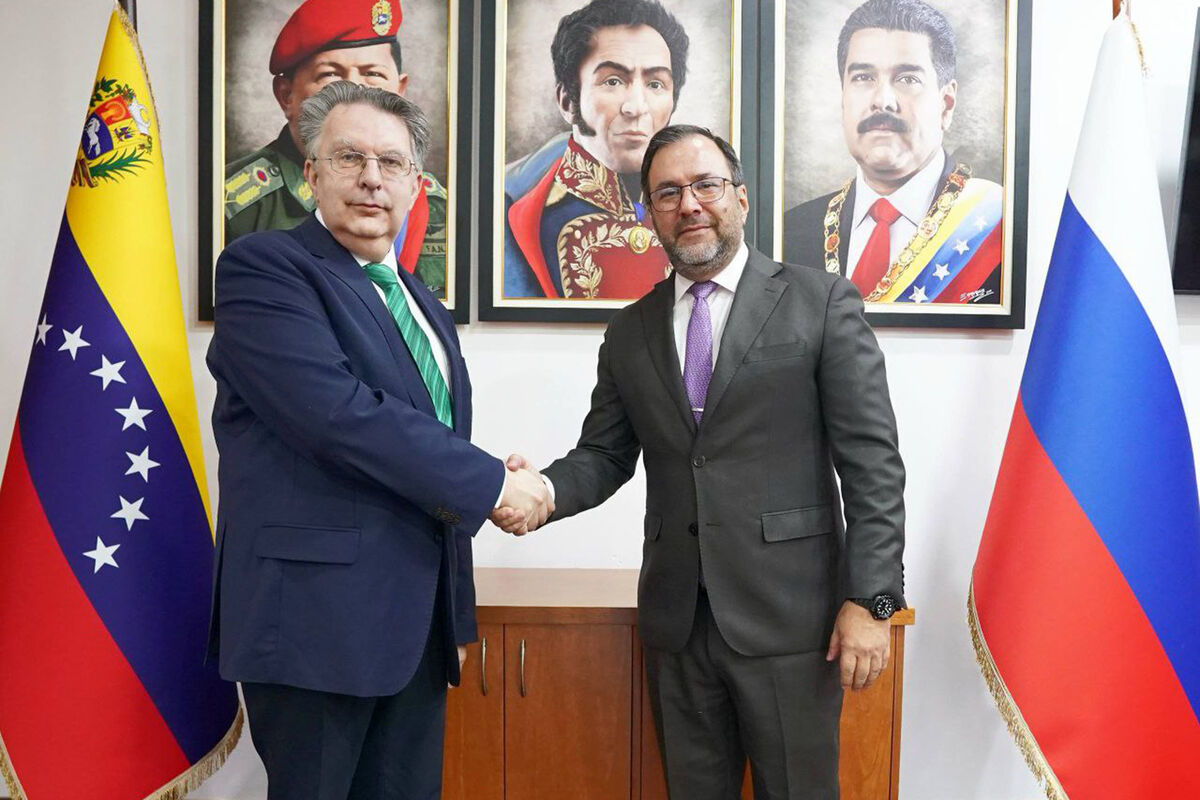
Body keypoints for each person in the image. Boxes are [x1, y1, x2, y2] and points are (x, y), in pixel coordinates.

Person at [498, 125, 906, 799]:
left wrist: (874, 601)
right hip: (678, 626)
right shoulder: (629, 330)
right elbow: (603, 455)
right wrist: (541, 489)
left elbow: (874, 467)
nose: (688, 204)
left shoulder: (821, 303)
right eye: (667, 193)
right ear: (649, 213)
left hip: (794, 623)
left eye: (705, 185)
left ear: (740, 198)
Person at [207, 81, 551, 798]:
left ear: (415, 184)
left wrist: (454, 614)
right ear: (311, 173)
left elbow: (421, 452)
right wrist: (493, 483)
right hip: (314, 625)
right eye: (349, 157)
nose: (372, 178)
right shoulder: (264, 269)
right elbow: (339, 417)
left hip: (414, 631)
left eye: (391, 162)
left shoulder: (421, 301)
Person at [782, 0, 1004, 306]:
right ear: (843, 98)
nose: (883, 100)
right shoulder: (791, 231)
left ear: (946, 104)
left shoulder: (998, 229)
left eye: (907, 79)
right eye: (863, 77)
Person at [224, 0, 450, 297]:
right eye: (330, 75)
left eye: (373, 74)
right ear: (286, 95)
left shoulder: (436, 205)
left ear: (400, 90)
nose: (355, 92)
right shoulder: (235, 206)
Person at [503, 0, 689, 300]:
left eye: (656, 84)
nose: (636, 107)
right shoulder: (512, 208)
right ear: (567, 101)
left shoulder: (694, 207)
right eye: (613, 81)